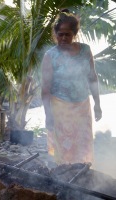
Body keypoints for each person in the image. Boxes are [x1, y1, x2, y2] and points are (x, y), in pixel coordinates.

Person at [41, 10, 102, 165]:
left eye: (67, 34)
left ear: (75, 33)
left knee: (83, 142)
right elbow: (45, 89)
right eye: (60, 34)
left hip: (82, 106)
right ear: (55, 33)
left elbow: (93, 79)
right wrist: (48, 115)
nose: (63, 38)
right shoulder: (50, 56)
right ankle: (64, 176)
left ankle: (82, 173)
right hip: (60, 107)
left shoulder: (85, 50)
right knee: (64, 146)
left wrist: (98, 105)